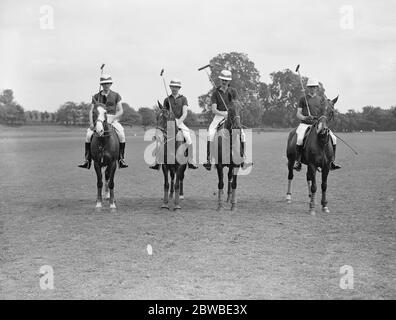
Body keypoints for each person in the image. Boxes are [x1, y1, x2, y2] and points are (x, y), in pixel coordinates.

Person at [77, 74, 128, 169]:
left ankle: (121, 159)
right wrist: (92, 123)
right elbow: (91, 110)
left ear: (110, 84)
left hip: (112, 119)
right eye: (104, 84)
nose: (106, 85)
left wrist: (114, 117)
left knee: (121, 134)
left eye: (108, 83)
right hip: (99, 120)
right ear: (101, 85)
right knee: (88, 135)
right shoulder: (96, 96)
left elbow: (120, 110)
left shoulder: (116, 95)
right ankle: (87, 160)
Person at [294, 78, 341, 171]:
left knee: (334, 138)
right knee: (299, 139)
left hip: (317, 123)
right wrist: (305, 117)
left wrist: (319, 119)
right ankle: (298, 161)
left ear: (316, 88)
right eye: (310, 87)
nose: (312, 89)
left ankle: (332, 161)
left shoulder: (321, 100)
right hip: (305, 124)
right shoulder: (303, 99)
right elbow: (298, 114)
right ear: (308, 88)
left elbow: (324, 113)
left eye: (314, 87)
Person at [149, 79, 198, 170]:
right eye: (172, 86)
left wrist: (178, 122)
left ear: (179, 88)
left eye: (176, 87)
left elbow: (184, 113)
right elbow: (164, 112)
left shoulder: (183, 99)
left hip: (179, 121)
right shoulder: (167, 99)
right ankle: (157, 162)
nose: (174, 88)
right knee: (160, 139)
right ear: (170, 87)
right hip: (168, 123)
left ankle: (190, 160)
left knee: (188, 137)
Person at [203, 69, 246, 171]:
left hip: (231, 116)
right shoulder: (215, 93)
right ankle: (209, 160)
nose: (224, 82)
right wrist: (223, 114)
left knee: (242, 134)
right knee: (211, 133)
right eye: (223, 79)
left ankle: (242, 157)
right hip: (219, 116)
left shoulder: (233, 91)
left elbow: (236, 104)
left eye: (226, 80)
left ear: (229, 81)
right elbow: (214, 109)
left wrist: (230, 113)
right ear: (220, 80)